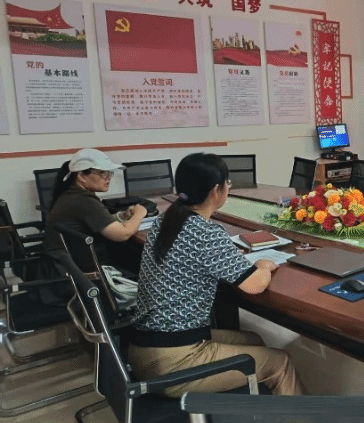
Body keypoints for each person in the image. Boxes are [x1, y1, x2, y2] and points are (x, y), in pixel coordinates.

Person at [128, 152, 303, 397]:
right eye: (227, 183)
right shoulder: (206, 233)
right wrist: (264, 266)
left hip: (141, 347)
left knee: (252, 340)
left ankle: (255, 406)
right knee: (280, 363)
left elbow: (194, 257)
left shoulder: (166, 220)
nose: (229, 187)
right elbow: (254, 285)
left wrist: (228, 257)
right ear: (216, 191)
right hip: (174, 361)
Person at [41, 148, 147, 278]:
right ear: (81, 176)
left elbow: (97, 222)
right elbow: (122, 234)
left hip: (67, 269)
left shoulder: (72, 194)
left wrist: (122, 216)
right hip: (84, 275)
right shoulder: (84, 201)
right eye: (103, 173)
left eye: (109, 172)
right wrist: (139, 214)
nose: (109, 177)